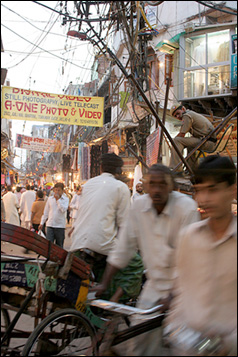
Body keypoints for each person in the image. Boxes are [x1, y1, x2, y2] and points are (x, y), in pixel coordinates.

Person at [94, 163, 200, 355]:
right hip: (154, 287)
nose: (157, 190)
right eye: (153, 184)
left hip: (186, 290)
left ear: (171, 187)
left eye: (162, 184)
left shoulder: (187, 209)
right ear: (146, 186)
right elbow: (123, 248)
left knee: (185, 347)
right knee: (139, 342)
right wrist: (104, 284)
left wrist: (173, 296)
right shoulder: (139, 207)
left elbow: (190, 261)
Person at [163, 155, 237, 356]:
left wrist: (229, 343)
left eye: (212, 189)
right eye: (198, 191)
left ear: (233, 190)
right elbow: (180, 294)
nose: (203, 199)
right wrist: (174, 330)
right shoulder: (188, 237)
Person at [69, 153, 144, 303]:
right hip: (101, 242)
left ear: (101, 167)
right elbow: (124, 224)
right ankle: (115, 304)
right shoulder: (121, 187)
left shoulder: (89, 184)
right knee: (136, 263)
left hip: (78, 242)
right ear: (119, 170)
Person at [169, 103, 217, 174]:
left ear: (183, 109)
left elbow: (182, 134)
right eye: (175, 116)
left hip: (207, 142)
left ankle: (176, 169)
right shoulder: (190, 114)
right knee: (189, 145)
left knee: (176, 140)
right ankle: (192, 170)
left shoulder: (187, 115)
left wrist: (172, 143)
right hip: (208, 141)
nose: (178, 116)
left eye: (178, 113)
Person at [39, 182, 69, 248]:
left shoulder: (65, 200)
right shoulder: (50, 199)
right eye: (56, 190)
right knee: (49, 245)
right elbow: (46, 212)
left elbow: (63, 210)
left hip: (60, 226)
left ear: (62, 191)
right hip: (50, 225)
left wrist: (58, 200)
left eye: (59, 190)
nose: (57, 192)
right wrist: (42, 223)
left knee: (59, 245)